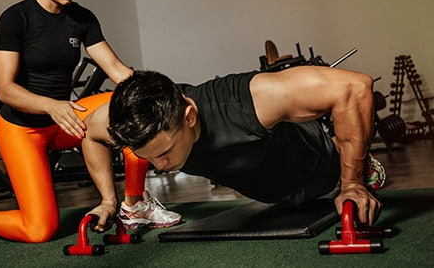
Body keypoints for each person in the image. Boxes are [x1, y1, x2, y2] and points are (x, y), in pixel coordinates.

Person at [0, 0, 179, 243]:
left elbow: (116, 70)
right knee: (40, 230)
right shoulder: (15, 19)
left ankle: (134, 204)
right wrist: (51, 105)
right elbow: (5, 89)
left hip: (67, 119)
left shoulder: (82, 19)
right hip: (24, 129)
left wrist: (161, 92)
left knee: (132, 105)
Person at [81, 66, 385, 232]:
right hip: (271, 195)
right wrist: (109, 201)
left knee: (343, 172)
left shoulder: (247, 101)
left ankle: (364, 167)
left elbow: (355, 88)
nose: (160, 166)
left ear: (189, 117)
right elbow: (89, 134)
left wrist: (353, 183)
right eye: (149, 157)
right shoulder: (131, 120)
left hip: (321, 168)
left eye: (165, 153)